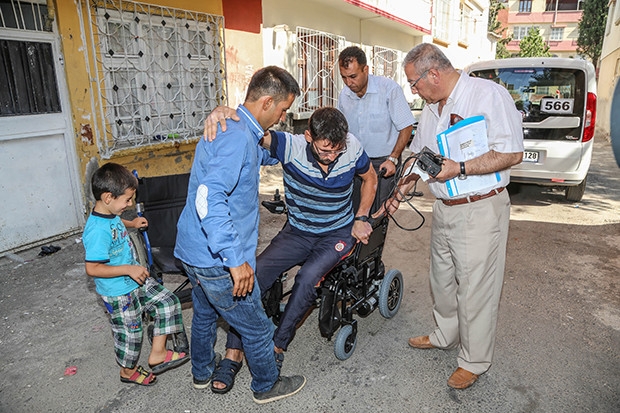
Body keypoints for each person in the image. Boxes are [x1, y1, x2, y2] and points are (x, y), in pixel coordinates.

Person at [205, 107, 376, 393]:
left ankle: (277, 346)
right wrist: (226, 112)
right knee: (252, 277)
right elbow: (252, 129)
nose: (332, 156)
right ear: (309, 137)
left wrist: (361, 217)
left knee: (308, 278)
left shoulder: (352, 146)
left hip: (336, 232)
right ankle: (234, 352)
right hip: (297, 231)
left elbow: (370, 177)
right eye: (325, 150)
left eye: (338, 150)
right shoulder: (291, 146)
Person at [384, 43, 524, 389]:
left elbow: (511, 153)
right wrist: (402, 188)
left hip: (480, 208)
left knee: (476, 288)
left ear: (433, 73)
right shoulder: (432, 107)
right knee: (442, 281)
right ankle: (445, 334)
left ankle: (474, 360)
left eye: (414, 83)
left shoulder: (487, 95)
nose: (413, 90)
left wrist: (460, 167)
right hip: (445, 208)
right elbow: (421, 153)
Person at [174, 66, 306, 404]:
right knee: (257, 328)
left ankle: (202, 373)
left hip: (193, 252)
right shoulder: (235, 136)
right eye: (282, 108)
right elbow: (209, 197)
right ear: (266, 102)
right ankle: (266, 386)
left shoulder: (234, 128)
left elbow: (251, 157)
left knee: (204, 314)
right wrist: (235, 260)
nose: (283, 116)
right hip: (218, 259)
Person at [83, 162, 189, 386]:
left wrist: (131, 223)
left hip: (135, 279)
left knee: (168, 302)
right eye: (127, 200)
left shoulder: (109, 213)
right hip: (119, 292)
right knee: (130, 336)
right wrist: (128, 269)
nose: (130, 204)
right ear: (108, 197)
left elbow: (115, 221)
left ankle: (158, 353)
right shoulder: (96, 231)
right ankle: (127, 372)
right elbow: (92, 268)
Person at [337, 46, 415, 209]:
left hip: (384, 163)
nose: (349, 83)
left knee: (379, 212)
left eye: (353, 76)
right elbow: (342, 130)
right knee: (355, 210)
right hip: (355, 162)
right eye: (344, 78)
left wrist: (393, 158)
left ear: (366, 69)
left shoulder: (389, 89)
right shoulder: (344, 95)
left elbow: (406, 126)